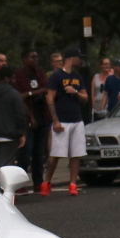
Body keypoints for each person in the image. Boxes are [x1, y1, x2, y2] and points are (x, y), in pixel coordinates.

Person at [43, 46, 88, 196]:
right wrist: (55, 121)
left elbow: (85, 98)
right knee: (56, 154)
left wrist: (75, 92)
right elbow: (49, 98)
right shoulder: (56, 76)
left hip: (76, 119)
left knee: (76, 154)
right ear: (72, 58)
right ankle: (46, 182)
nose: (80, 61)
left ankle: (73, 184)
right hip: (62, 120)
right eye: (79, 58)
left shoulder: (78, 77)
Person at [13, 49, 49, 180]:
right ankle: (21, 183)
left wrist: (30, 94)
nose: (36, 60)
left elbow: (46, 89)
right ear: (25, 59)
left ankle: (38, 182)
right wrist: (34, 93)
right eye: (32, 57)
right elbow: (18, 96)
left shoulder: (40, 73)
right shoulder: (19, 75)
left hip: (43, 116)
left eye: (37, 57)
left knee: (39, 153)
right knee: (25, 151)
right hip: (26, 118)